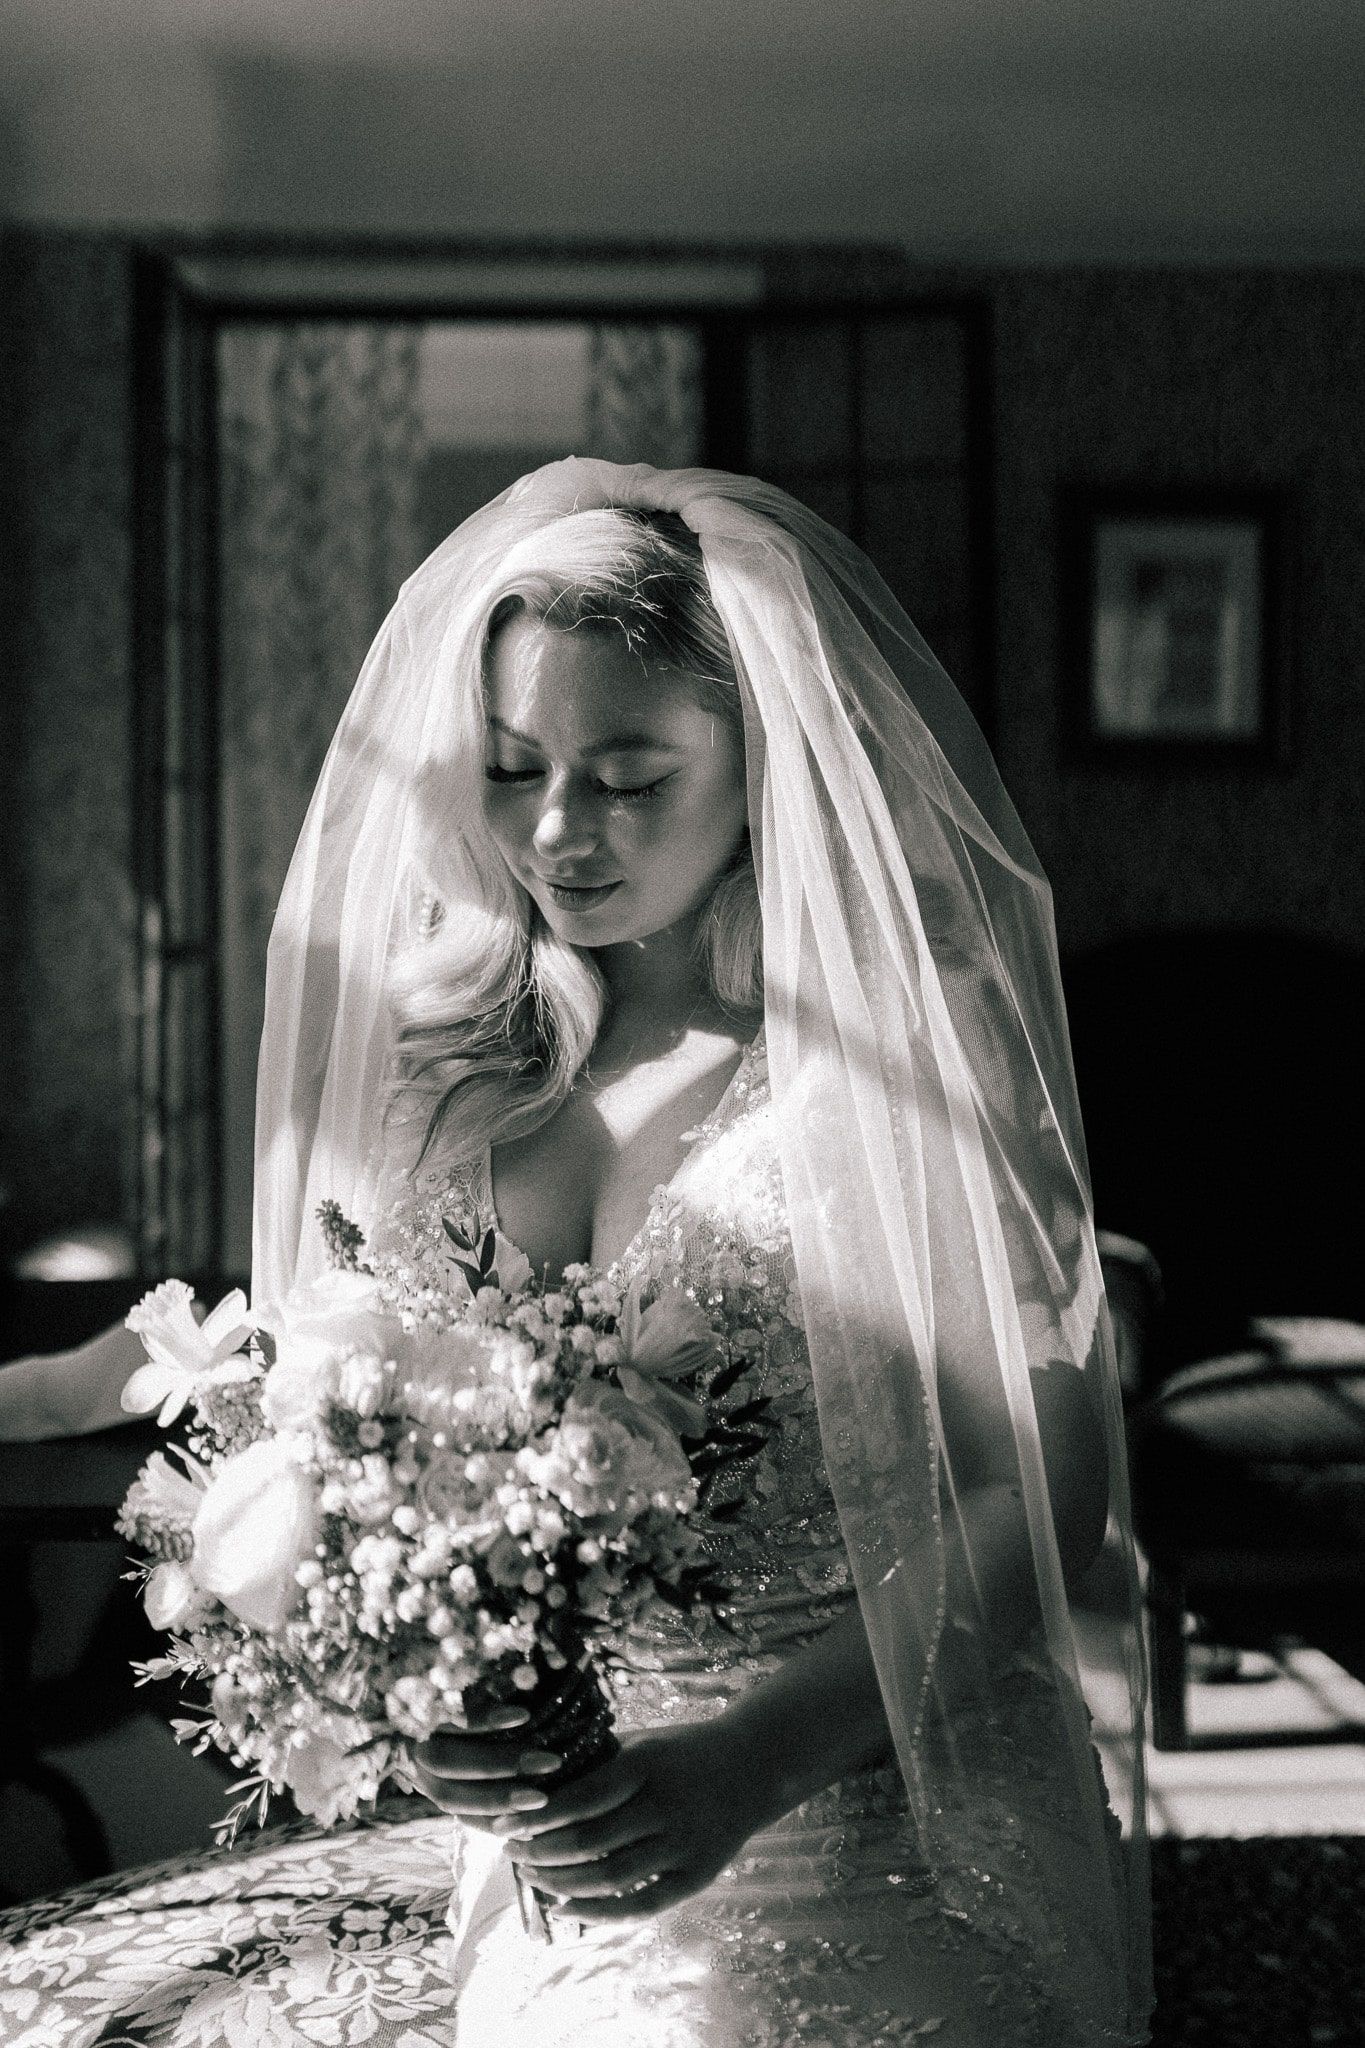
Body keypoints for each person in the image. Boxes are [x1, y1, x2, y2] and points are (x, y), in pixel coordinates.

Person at [0, 460, 1152, 2046]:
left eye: (628, 774)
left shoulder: (880, 1068)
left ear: (760, 765)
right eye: (512, 765)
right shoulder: (464, 1058)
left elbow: (1042, 1495)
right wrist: (61, 1396)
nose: (558, 830)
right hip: (559, 1825)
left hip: (865, 1798)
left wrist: (740, 1768)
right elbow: (312, 1336)